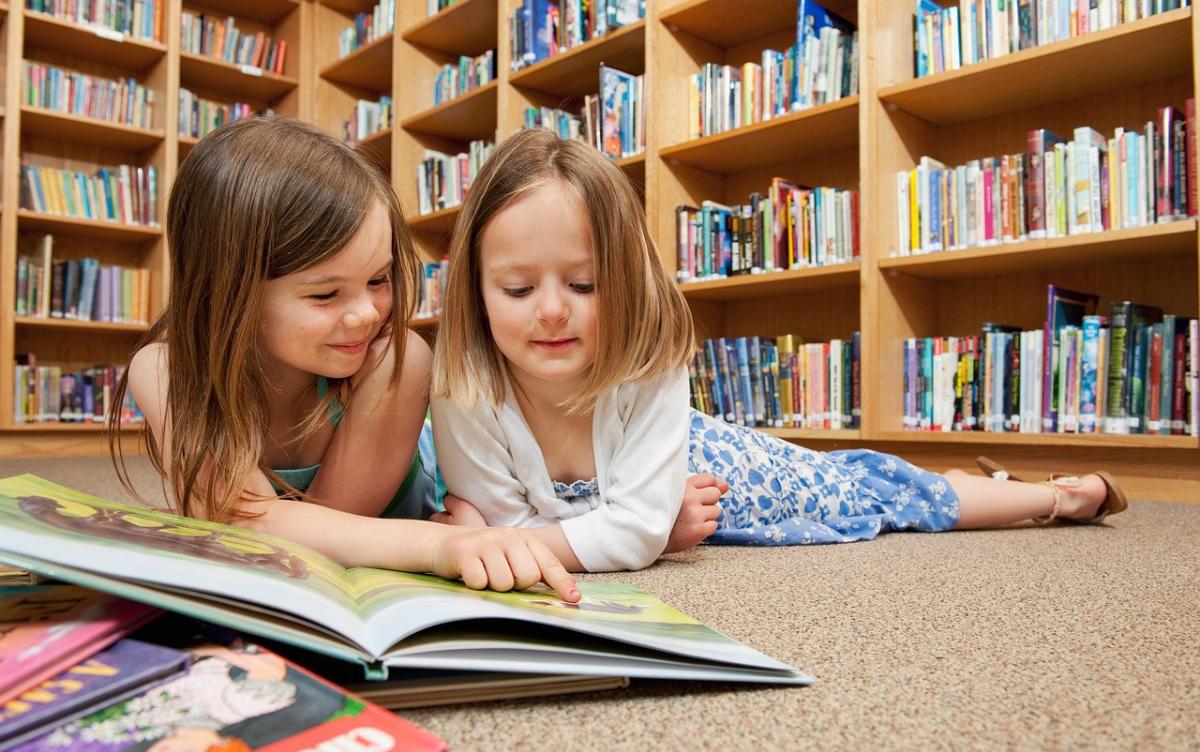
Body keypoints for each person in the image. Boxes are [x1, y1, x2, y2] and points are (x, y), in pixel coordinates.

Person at [429, 128, 1128, 574]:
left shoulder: (649, 361)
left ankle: (1055, 497)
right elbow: (538, 534)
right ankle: (995, 482)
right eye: (518, 288)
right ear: (474, 289)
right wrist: (624, 529)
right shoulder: (462, 385)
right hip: (671, 496)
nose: (552, 310)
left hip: (713, 465)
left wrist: (630, 532)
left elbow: (528, 538)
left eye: (583, 283)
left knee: (876, 489)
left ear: (627, 282)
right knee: (873, 483)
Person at [108, 117, 716, 600]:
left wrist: (644, 527)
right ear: (224, 291)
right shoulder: (164, 372)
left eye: (379, 280)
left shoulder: (396, 362)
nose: (367, 316)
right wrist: (439, 548)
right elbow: (250, 529)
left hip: (510, 472)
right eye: (326, 294)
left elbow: (326, 528)